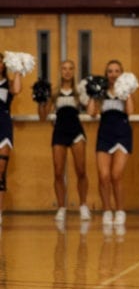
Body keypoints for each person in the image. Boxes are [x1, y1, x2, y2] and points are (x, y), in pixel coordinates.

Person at [39, 60, 89, 223]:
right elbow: (43, 117)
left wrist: (93, 94)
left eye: (70, 69)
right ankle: (61, 207)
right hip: (59, 132)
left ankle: (83, 205)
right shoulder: (53, 92)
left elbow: (92, 111)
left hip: (76, 132)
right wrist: (42, 99)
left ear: (74, 71)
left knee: (81, 170)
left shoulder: (79, 92)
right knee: (58, 172)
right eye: (64, 69)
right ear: (60, 71)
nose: (67, 72)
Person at [88, 60, 134, 229]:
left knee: (116, 175)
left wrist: (127, 92)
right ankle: (107, 209)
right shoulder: (101, 92)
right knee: (104, 175)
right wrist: (93, 94)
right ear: (106, 74)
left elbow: (129, 112)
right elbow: (91, 113)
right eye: (110, 71)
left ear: (121, 73)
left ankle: (120, 210)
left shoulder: (125, 92)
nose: (113, 74)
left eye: (117, 71)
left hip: (122, 135)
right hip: (105, 135)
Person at [0, 59, 22, 225]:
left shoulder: (9, 83)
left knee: (1, 170)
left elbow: (17, 89)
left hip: (4, 125)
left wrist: (18, 69)